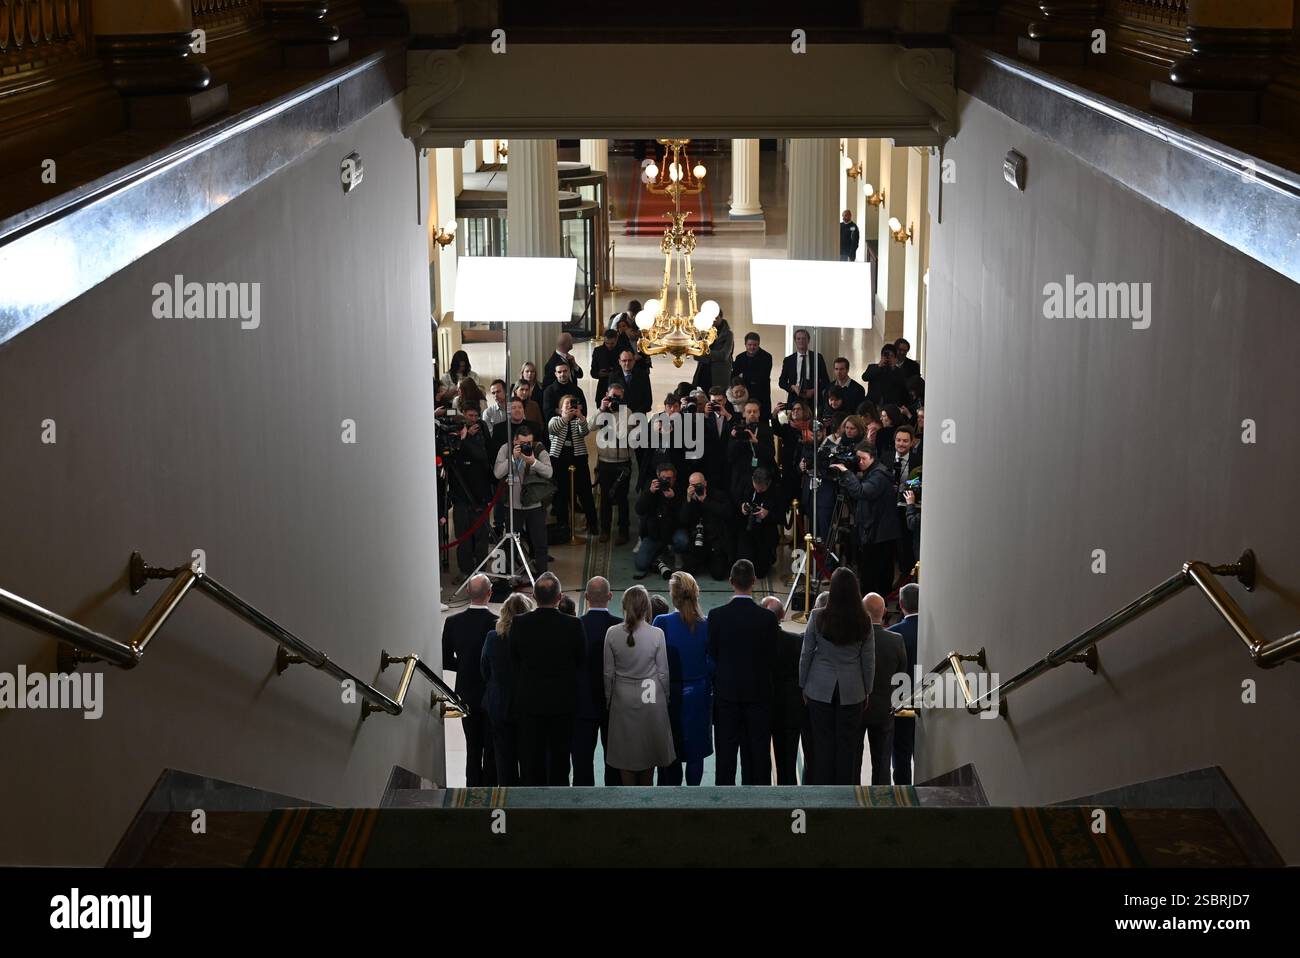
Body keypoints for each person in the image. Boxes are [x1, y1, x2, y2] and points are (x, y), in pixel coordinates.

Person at [799, 567, 875, 785]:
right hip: (852, 690)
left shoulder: (817, 616)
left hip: (819, 688)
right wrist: (867, 690)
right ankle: (844, 794)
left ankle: (824, 793)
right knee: (847, 746)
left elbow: (806, 654)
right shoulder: (865, 620)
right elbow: (868, 661)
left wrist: (803, 684)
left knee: (822, 744)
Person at [707, 560, 780, 785]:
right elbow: (772, 657)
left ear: (731, 582)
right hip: (758, 696)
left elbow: (713, 652)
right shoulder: (767, 618)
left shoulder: (717, 616)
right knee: (758, 756)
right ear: (754, 582)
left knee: (726, 757)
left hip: (727, 695)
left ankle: (724, 809)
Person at [510, 573, 584, 786]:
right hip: (562, 704)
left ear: (533, 596)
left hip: (530, 703)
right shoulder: (573, 625)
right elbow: (581, 660)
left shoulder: (520, 623)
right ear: (560, 597)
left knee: (531, 761)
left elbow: (514, 660)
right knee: (560, 762)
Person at [603, 585, 676, 785]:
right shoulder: (656, 633)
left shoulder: (612, 633)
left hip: (622, 695)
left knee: (625, 754)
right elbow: (663, 672)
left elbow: (608, 673)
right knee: (648, 751)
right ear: (646, 608)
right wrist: (666, 697)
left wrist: (609, 699)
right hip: (650, 693)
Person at [654, 573, 714, 786]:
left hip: (671, 695)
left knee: (671, 752)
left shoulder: (661, 622)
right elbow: (713, 662)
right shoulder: (706, 624)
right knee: (696, 753)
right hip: (699, 694)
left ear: (673, 596)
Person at [442, 574, 497, 787]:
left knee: (472, 747)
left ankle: (471, 789)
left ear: (468, 592)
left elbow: (446, 660)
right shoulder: (496, 623)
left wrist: (465, 666)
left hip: (465, 692)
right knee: (491, 746)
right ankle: (491, 791)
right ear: (490, 593)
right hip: (490, 692)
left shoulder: (453, 622)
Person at [831, 442, 902, 597]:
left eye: (863, 459)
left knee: (875, 570)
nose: (860, 462)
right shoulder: (871, 472)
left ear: (872, 457)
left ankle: (874, 601)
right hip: (873, 529)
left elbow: (862, 492)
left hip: (880, 533)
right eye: (858, 459)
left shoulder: (879, 475)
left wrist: (846, 473)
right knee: (870, 568)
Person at [480, 592, 534, 786]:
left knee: (504, 761)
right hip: (528, 706)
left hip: (499, 704)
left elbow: (485, 670)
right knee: (529, 760)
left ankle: (507, 805)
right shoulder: (532, 640)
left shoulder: (493, 638)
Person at [575, 577, 621, 787]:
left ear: (586, 597)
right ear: (610, 597)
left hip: (582, 702)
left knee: (582, 762)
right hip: (614, 702)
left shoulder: (576, 626)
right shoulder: (619, 626)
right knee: (614, 761)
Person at [859, 592, 907, 786]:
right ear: (885, 612)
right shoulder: (896, 640)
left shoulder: (856, 638)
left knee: (854, 758)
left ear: (862, 612)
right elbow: (901, 675)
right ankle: (881, 803)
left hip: (858, 706)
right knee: (882, 762)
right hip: (885, 708)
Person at [492, 423, 554, 574]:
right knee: (511, 543)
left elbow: (549, 472)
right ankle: (509, 574)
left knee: (540, 542)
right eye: (522, 443)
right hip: (512, 506)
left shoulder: (538, 449)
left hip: (534, 504)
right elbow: (498, 473)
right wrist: (513, 457)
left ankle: (542, 575)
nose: (527, 446)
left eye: (529, 443)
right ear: (514, 441)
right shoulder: (506, 449)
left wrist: (533, 462)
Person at [445, 406, 494, 578]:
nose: (472, 419)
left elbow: (482, 456)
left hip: (479, 496)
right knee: (462, 537)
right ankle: (465, 572)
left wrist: (467, 439)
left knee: (481, 538)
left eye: (475, 415)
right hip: (460, 497)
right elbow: (450, 459)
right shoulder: (455, 438)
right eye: (469, 415)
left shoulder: (480, 433)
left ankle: (481, 573)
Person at [761, 596, 803, 786]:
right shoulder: (795, 641)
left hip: (762, 707)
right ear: (782, 615)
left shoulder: (755, 644)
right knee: (787, 764)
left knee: (759, 764)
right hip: (789, 709)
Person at [548, 395, 599, 537]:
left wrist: (580, 416)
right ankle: (562, 525)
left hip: (578, 458)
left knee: (585, 491)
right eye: (566, 405)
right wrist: (565, 418)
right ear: (560, 409)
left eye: (572, 404)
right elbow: (553, 430)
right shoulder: (555, 420)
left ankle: (592, 523)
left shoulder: (578, 421)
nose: (570, 407)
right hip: (559, 459)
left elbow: (585, 432)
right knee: (561, 493)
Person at [593, 382, 633, 545]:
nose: (615, 399)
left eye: (618, 396)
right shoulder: (601, 411)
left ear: (623, 396)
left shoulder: (628, 412)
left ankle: (623, 531)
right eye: (612, 396)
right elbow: (589, 426)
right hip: (604, 461)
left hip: (622, 462)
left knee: (622, 499)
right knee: (605, 499)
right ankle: (605, 530)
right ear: (606, 395)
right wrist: (602, 409)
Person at [634, 462, 688, 579]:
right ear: (657, 477)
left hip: (674, 532)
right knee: (641, 564)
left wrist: (674, 499)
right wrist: (649, 493)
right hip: (654, 534)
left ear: (674, 478)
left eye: (668, 478)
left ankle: (674, 551)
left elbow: (685, 518)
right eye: (662, 478)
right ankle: (660, 554)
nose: (665, 481)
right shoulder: (652, 488)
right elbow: (639, 510)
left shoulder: (680, 490)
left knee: (682, 541)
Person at [677, 471, 733, 580]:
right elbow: (683, 520)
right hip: (697, 539)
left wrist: (705, 500)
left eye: (698, 485)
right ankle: (702, 561)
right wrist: (688, 500)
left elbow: (727, 512)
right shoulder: (689, 498)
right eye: (692, 485)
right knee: (687, 571)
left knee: (719, 574)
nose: (695, 488)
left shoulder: (717, 494)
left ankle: (709, 561)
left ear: (705, 483)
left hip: (714, 540)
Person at [891, 583, 920, 785]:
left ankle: (903, 796)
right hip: (931, 698)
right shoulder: (934, 630)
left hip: (901, 700)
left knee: (901, 754)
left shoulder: (894, 633)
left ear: (900, 604)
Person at [734, 466, 781, 579]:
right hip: (746, 527)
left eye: (762, 489)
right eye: (756, 488)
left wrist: (767, 514)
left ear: (768, 483)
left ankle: (770, 555)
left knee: (760, 572)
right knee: (745, 567)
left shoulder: (776, 490)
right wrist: (742, 506)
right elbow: (734, 499)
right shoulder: (745, 482)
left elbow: (781, 517)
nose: (759, 491)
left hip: (765, 531)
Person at [779, 329, 830, 413]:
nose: (801, 341)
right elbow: (781, 382)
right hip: (794, 398)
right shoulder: (789, 360)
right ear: (795, 341)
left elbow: (825, 381)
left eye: (804, 338)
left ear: (808, 340)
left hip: (813, 399)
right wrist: (793, 387)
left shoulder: (817, 358)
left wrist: (814, 390)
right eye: (798, 339)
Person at [731, 332, 773, 416]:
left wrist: (744, 375)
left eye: (755, 345)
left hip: (761, 394)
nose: (752, 347)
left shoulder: (767, 357)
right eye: (749, 345)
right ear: (745, 344)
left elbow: (763, 376)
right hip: (744, 394)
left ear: (759, 344)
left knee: (762, 419)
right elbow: (735, 377)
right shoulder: (740, 357)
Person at [694, 310, 734, 390]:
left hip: (719, 375)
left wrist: (705, 353)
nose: (713, 320)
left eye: (715, 317)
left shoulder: (728, 334)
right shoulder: (704, 332)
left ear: (721, 317)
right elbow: (696, 354)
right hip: (703, 372)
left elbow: (723, 355)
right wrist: (713, 356)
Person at [613, 348, 653, 414]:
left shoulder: (643, 376)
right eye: (624, 361)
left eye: (630, 360)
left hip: (639, 417)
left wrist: (635, 415)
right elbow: (611, 398)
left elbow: (648, 401)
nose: (627, 363)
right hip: (620, 417)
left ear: (634, 361)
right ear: (619, 362)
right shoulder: (613, 376)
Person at [589, 327, 622, 405]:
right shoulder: (598, 351)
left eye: (612, 343)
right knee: (602, 414)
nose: (609, 346)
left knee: (621, 414)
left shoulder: (622, 350)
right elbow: (593, 371)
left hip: (619, 385)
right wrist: (599, 374)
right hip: (603, 386)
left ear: (617, 340)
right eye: (607, 343)